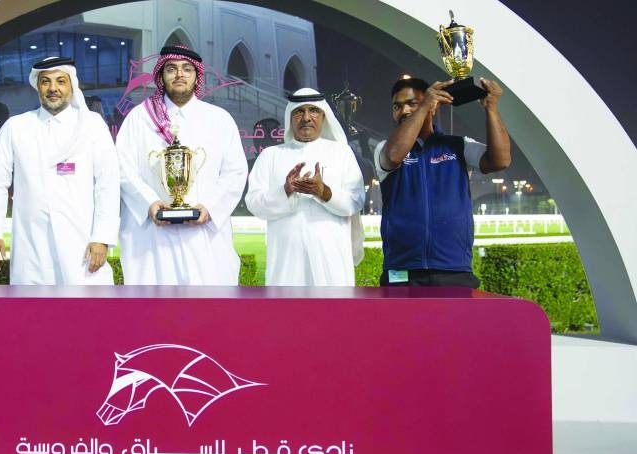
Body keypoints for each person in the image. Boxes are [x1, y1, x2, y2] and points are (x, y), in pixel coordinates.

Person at [116, 45, 248, 285]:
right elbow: (123, 168)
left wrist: (209, 207)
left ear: (197, 76)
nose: (179, 74)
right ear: (161, 75)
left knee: (208, 304)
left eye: (187, 69)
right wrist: (149, 203)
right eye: (171, 69)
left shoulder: (219, 119)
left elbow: (235, 172)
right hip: (152, 238)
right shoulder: (139, 117)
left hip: (205, 237)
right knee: (155, 303)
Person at [0, 57, 120, 284]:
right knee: (33, 304)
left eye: (60, 81)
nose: (53, 88)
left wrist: (102, 237)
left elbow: (108, 185)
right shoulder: (16, 127)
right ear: (37, 86)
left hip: (81, 241)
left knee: (86, 302)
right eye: (45, 82)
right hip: (31, 244)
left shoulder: (92, 125)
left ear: (71, 85)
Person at [374, 76, 511, 287]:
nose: (404, 111)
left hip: (453, 268)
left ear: (433, 106)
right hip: (402, 270)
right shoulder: (384, 148)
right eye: (397, 106)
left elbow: (500, 160)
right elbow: (393, 156)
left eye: (412, 103)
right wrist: (423, 107)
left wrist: (491, 108)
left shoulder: (458, 145)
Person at [246, 88, 365, 286]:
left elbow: (355, 201)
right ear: (290, 117)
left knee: (334, 306)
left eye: (314, 110)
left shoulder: (341, 152)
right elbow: (254, 203)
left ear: (323, 116)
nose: (306, 118)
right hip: (286, 266)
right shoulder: (271, 155)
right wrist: (285, 190)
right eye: (299, 111)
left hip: (332, 263)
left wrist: (323, 192)